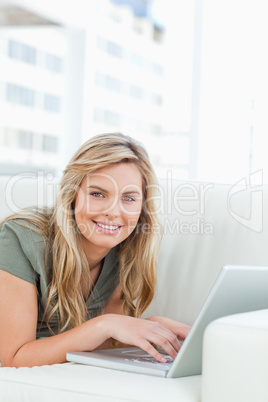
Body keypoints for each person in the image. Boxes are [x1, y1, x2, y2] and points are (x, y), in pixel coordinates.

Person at [0, 132, 190, 368]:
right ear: (72, 196)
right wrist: (106, 324)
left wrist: (150, 330)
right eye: (98, 194)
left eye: (129, 198)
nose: (113, 211)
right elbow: (12, 357)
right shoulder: (20, 236)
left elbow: (97, 344)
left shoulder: (125, 250)